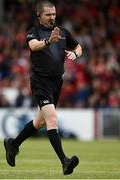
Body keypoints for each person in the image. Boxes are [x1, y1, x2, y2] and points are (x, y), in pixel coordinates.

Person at [4, 1, 82, 175]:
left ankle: (13, 144)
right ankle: (64, 161)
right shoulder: (34, 32)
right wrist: (48, 41)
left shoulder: (62, 32)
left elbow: (78, 46)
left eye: (54, 14)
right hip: (40, 82)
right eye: (48, 14)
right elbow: (33, 46)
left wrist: (75, 53)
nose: (52, 17)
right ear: (39, 16)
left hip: (56, 83)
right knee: (52, 120)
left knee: (39, 122)